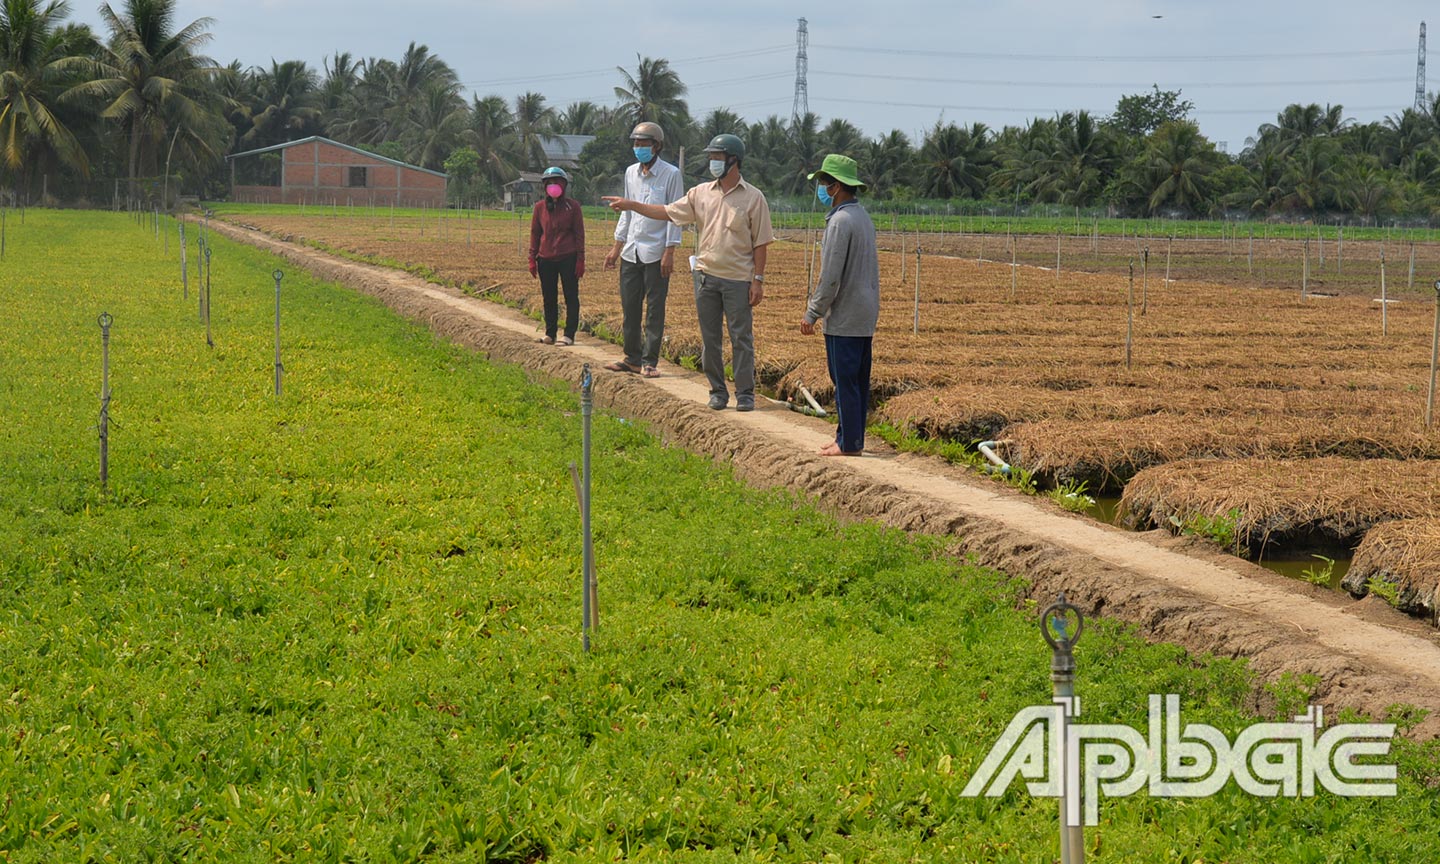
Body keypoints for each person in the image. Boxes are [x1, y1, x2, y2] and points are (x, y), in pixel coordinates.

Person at [604, 133, 773, 412]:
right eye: (711, 158)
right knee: (710, 339)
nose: (712, 163)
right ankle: (718, 391)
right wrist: (632, 205)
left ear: (734, 161)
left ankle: (745, 394)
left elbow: (761, 243)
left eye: (717, 158)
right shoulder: (700, 193)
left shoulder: (753, 198)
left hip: (738, 280)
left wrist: (758, 280)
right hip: (706, 276)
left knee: (741, 337)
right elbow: (668, 212)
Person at [799, 154, 880, 456]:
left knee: (843, 380)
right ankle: (848, 437)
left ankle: (848, 444)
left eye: (823, 182)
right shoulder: (862, 217)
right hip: (865, 311)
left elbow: (831, 276)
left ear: (836, 187)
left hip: (845, 313)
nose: (821, 188)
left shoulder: (840, 222)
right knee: (856, 380)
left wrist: (812, 312)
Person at [603, 122, 684, 378]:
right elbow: (626, 214)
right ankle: (631, 358)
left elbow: (675, 214)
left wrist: (669, 251)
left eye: (643, 144)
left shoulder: (671, 174)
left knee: (654, 309)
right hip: (632, 250)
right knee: (630, 307)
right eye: (636, 144)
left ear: (656, 146)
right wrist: (616, 248)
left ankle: (650, 362)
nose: (639, 148)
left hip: (656, 251)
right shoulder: (630, 173)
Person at [528, 166, 584, 345]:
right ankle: (550, 333)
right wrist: (532, 257)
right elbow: (535, 233)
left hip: (568, 257)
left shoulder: (572, 207)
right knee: (549, 297)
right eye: (549, 183)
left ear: (564, 185)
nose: (553, 186)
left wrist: (580, 259)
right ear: (544, 186)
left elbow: (579, 234)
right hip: (545, 258)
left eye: (557, 182)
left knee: (570, 296)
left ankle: (569, 335)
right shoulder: (539, 208)